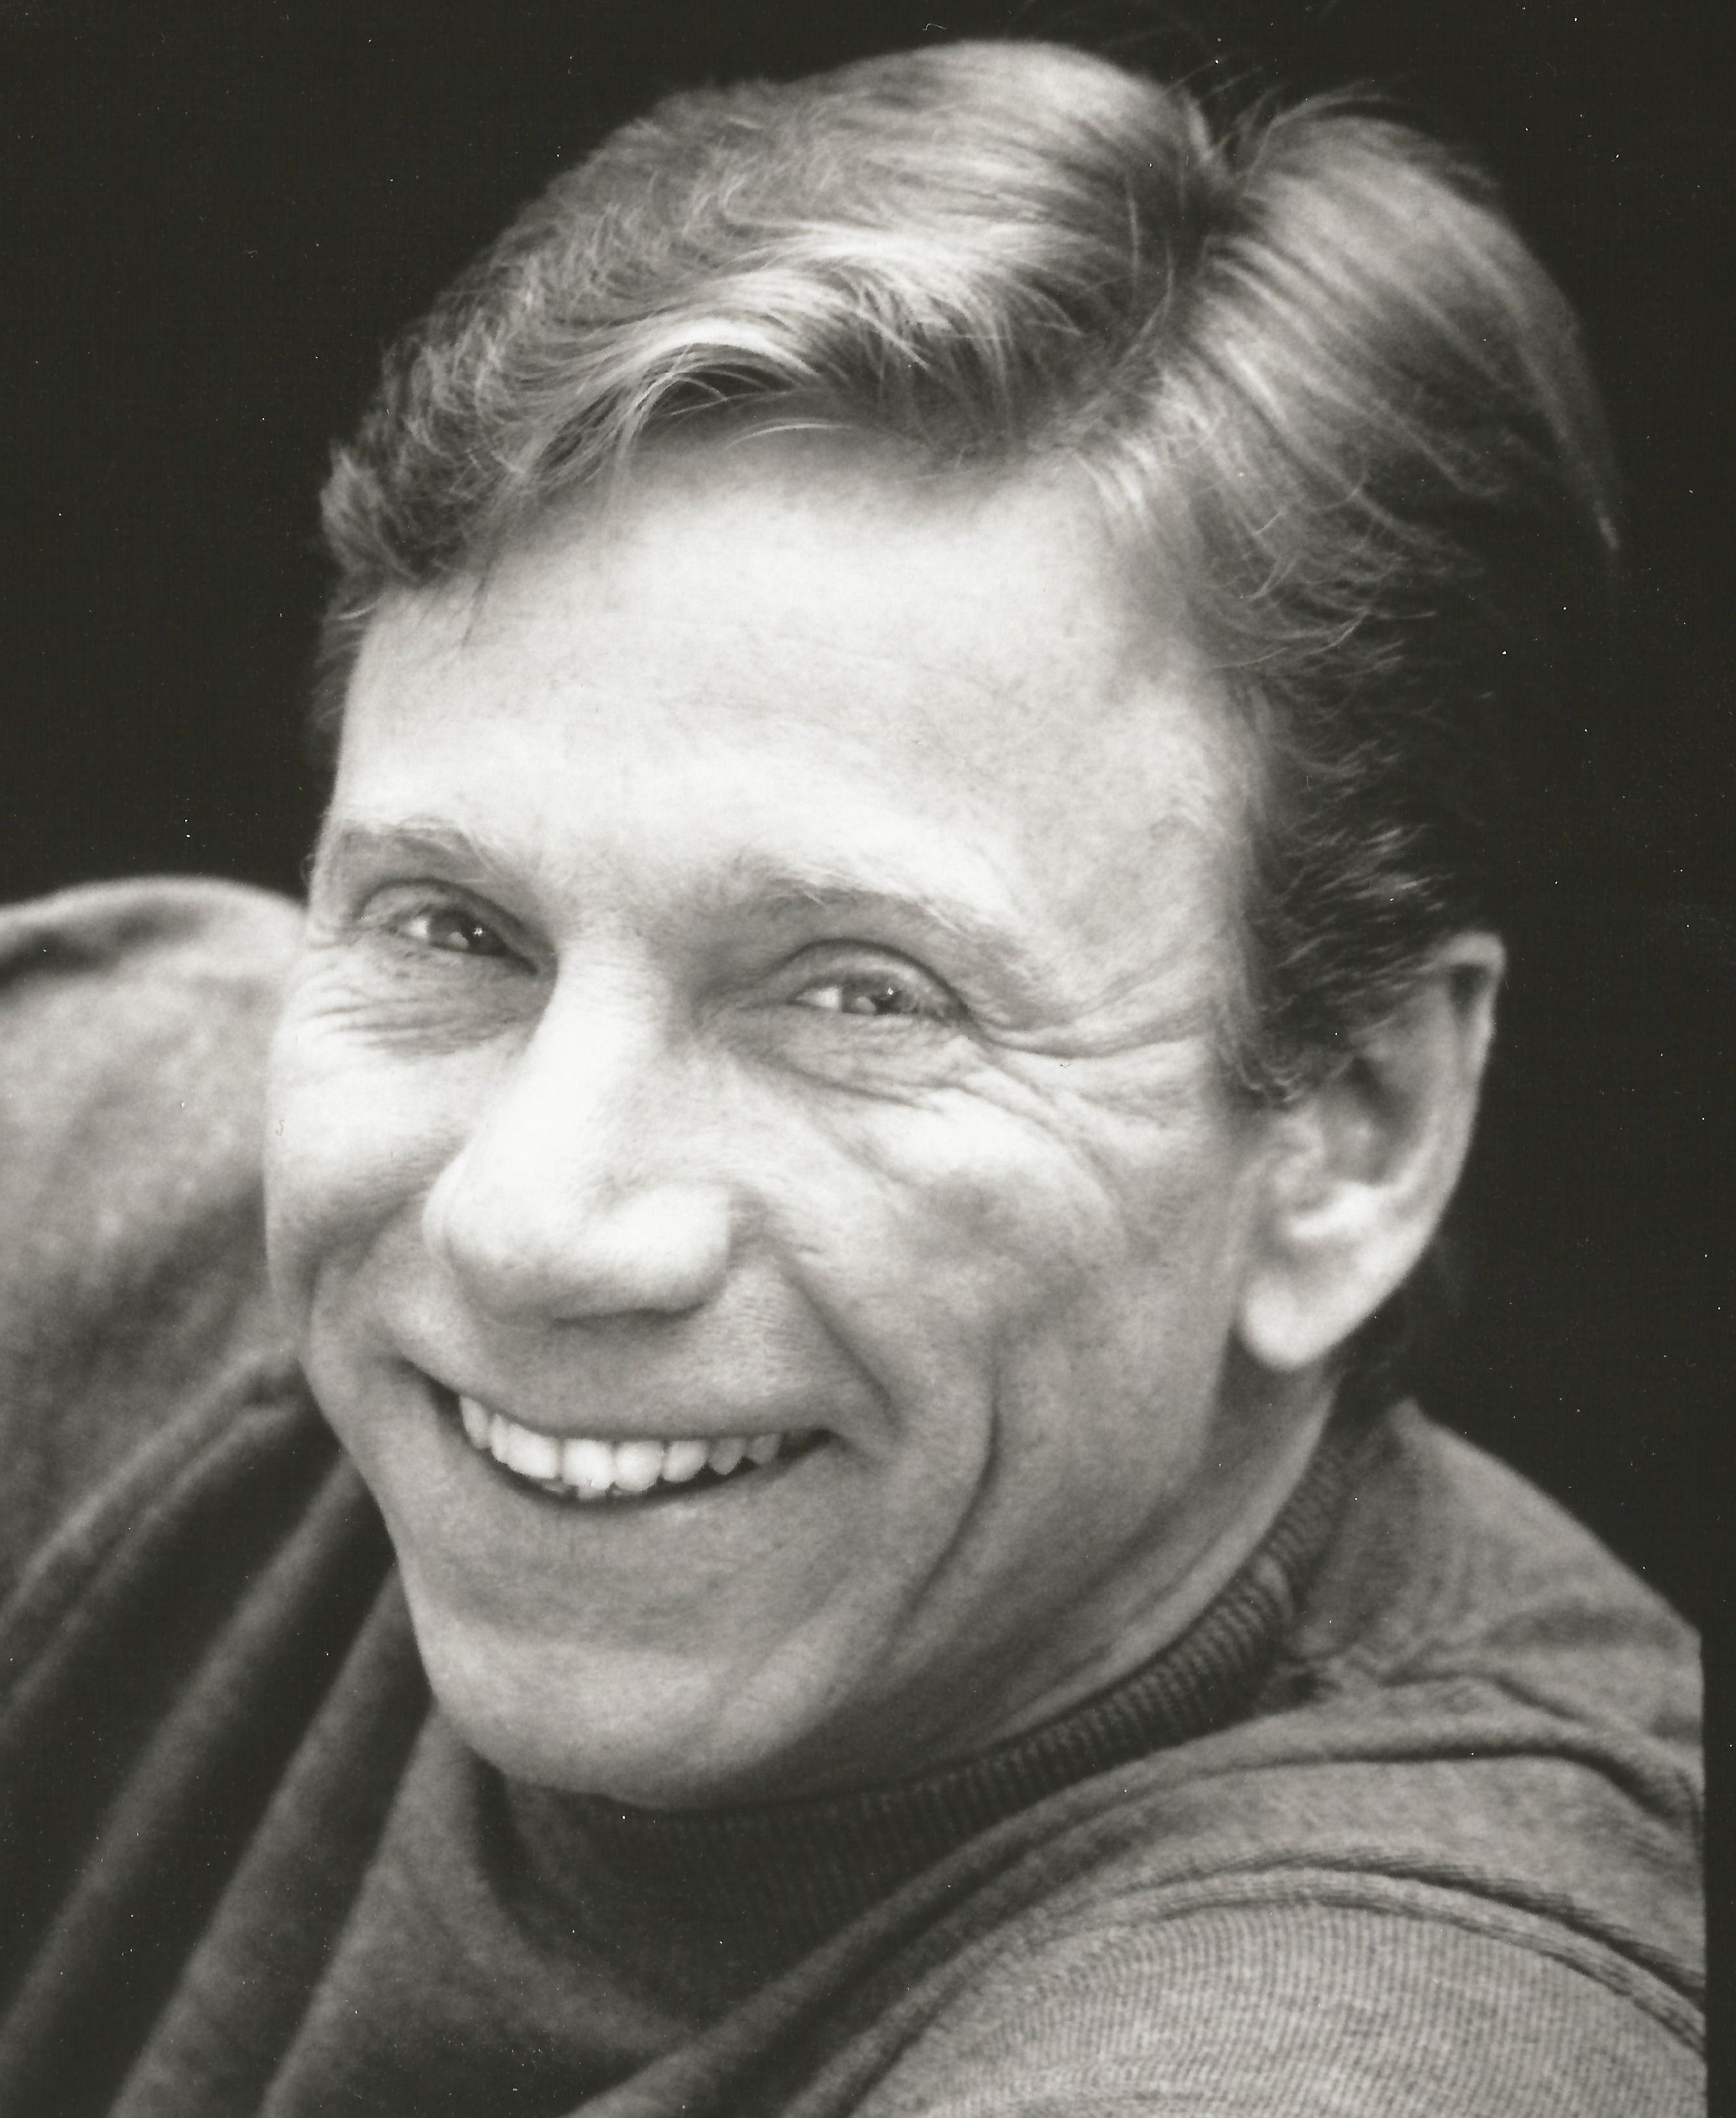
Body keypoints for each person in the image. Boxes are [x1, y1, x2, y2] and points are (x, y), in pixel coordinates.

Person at [0, 37, 1701, 2117]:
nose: (529, 1220)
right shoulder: (102, 1157)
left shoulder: (1372, 2031)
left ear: (1355, 1133)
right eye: (455, 931)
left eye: (860, 998)